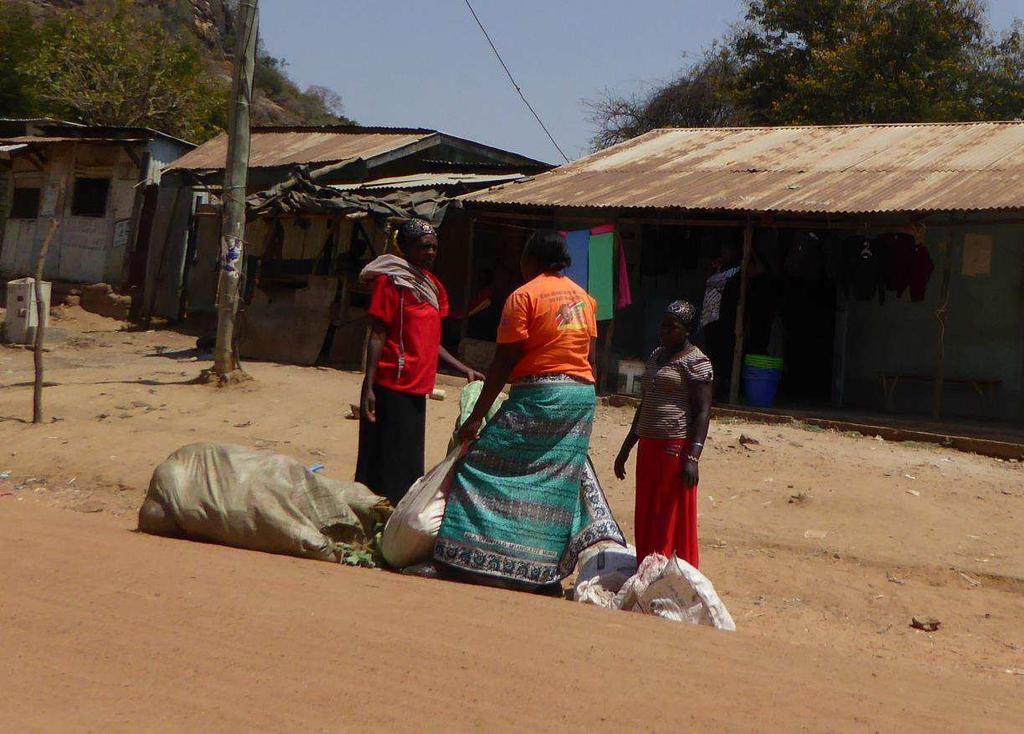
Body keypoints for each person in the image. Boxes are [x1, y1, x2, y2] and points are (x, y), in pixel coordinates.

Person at [434, 230, 624, 591]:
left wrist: (476, 418)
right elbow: (591, 359)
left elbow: (503, 362)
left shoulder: (523, 296)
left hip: (541, 395)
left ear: (531, 259)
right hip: (580, 399)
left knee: (479, 464)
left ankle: (465, 560)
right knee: (555, 485)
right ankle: (543, 574)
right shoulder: (585, 298)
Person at [356, 219, 482, 506]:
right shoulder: (390, 282)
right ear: (407, 248)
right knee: (384, 457)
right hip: (391, 381)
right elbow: (378, 334)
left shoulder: (432, 287)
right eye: (424, 247)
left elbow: (431, 340)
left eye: (434, 247)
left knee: (408, 458)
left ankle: (399, 513)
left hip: (418, 384)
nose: (430, 253)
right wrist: (369, 384)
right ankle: (378, 511)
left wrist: (462, 368)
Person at [614, 300, 713, 568]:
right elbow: (645, 404)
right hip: (648, 446)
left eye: (673, 327)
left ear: (688, 330)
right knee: (647, 510)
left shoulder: (697, 362)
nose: (665, 331)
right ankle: (646, 567)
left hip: (674, 447)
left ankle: (669, 571)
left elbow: (702, 412)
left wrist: (693, 457)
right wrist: (626, 448)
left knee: (667, 514)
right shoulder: (656, 356)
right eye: (663, 325)